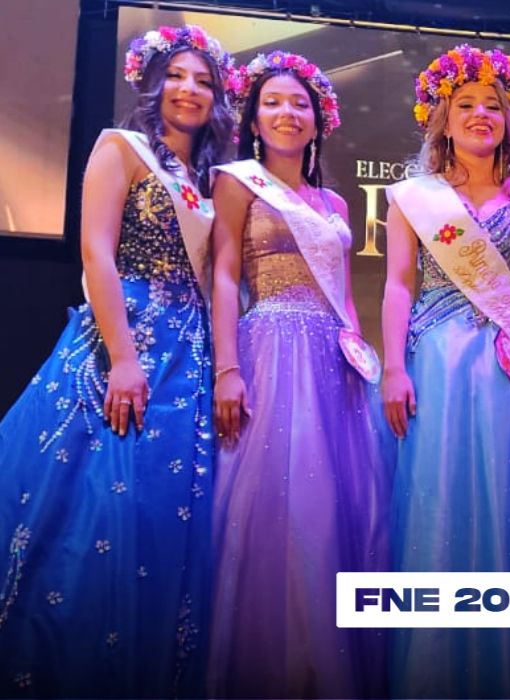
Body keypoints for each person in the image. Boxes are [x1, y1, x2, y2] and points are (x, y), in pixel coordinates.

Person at [0, 24, 234, 697]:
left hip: (189, 353)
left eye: (204, 81)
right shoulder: (120, 147)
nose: (190, 90)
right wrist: (124, 358)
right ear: (153, 82)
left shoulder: (207, 179)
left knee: (166, 511)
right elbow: (96, 253)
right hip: (124, 337)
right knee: (98, 505)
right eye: (178, 76)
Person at [380, 44, 510, 698]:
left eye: (493, 104)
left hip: (505, 368)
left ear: (508, 120)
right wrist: (393, 368)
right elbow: (397, 285)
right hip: (435, 363)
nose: (481, 114)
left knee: (502, 499)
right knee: (436, 502)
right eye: (466, 104)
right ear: (444, 117)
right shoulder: (415, 197)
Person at [206, 50, 388, 698]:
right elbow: (224, 277)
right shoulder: (237, 182)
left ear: (318, 119)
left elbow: (342, 290)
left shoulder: (334, 200)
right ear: (254, 118)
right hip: (270, 349)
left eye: (300, 103)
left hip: (331, 359)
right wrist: (227, 367)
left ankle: (327, 667)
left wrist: (358, 354)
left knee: (338, 503)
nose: (288, 113)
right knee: (280, 504)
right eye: (273, 102)